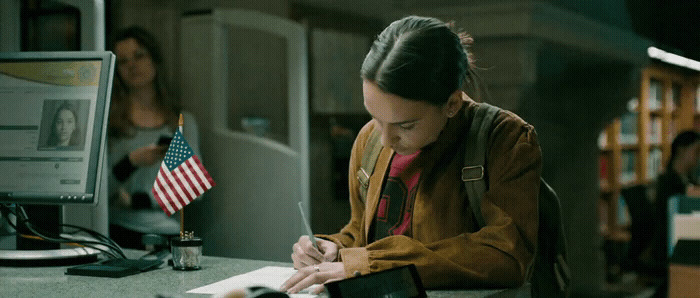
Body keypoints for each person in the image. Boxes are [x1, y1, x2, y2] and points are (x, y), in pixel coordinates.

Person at [281, 16, 541, 294]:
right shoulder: (369, 141)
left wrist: (371, 264)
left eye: (405, 125)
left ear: (451, 104)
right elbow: (362, 232)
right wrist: (332, 249)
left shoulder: (504, 139)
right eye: (376, 119)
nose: (385, 139)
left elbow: (506, 256)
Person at [108, 26, 200, 249]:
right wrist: (131, 162)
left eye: (139, 56)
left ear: (154, 60)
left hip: (168, 233)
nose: (132, 65)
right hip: (120, 232)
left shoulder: (180, 122)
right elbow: (101, 188)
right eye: (123, 61)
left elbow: (192, 188)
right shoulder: (110, 121)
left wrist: (139, 201)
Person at [648, 130, 700, 297]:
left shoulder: (688, 180)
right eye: (696, 151)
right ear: (681, 150)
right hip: (668, 244)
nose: (699, 157)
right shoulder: (669, 183)